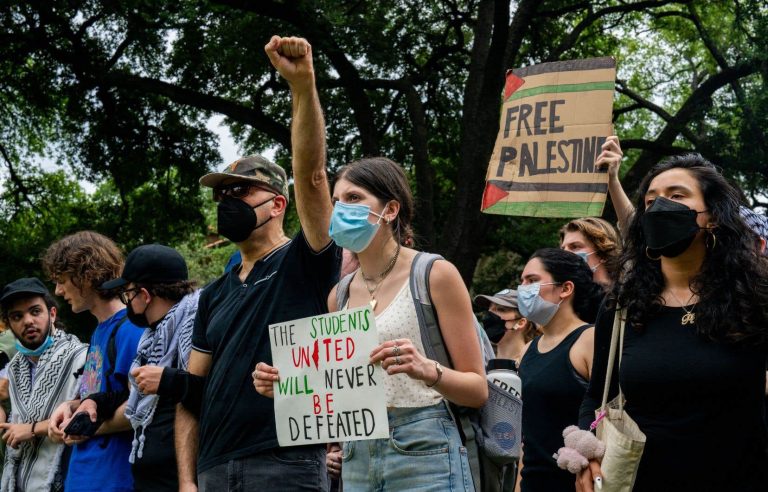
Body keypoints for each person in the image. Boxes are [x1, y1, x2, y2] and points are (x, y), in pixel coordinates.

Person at [255, 156, 488, 491]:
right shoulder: (340, 296)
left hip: (426, 448)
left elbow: (477, 390)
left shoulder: (435, 274)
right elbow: (340, 390)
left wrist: (427, 369)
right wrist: (285, 386)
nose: (339, 209)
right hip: (358, 455)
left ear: (390, 210)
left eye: (353, 198)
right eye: (336, 202)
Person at [176, 35, 341, 492]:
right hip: (212, 469)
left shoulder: (304, 260)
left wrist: (303, 88)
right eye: (222, 195)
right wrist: (188, 481)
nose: (227, 202)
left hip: (285, 465)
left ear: (277, 204)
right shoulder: (212, 294)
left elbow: (311, 176)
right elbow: (193, 396)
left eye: (241, 192)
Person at [577, 154, 768, 492]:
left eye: (677, 196)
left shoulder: (755, 299)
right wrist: (588, 457)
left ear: (712, 217)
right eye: (651, 201)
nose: (661, 206)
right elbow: (597, 395)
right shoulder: (622, 305)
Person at [68, 244, 200, 491]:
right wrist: (95, 401)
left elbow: (207, 392)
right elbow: (135, 395)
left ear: (144, 295)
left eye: (127, 293)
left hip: (176, 479)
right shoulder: (151, 340)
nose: (126, 301)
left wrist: (169, 379)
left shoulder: (195, 332)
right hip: (148, 476)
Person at [43, 231, 144, 492]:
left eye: (62, 280)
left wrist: (85, 427)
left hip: (114, 479)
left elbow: (142, 407)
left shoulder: (131, 330)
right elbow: (100, 394)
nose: (58, 290)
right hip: (83, 475)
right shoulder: (99, 331)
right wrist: (71, 407)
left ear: (87, 275)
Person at [515, 248, 603, 491]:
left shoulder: (590, 339)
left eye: (532, 280)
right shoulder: (527, 350)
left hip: (580, 483)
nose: (523, 288)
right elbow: (528, 436)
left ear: (565, 288)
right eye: (521, 281)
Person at [0, 278, 88, 491]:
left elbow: (88, 417)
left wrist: (30, 429)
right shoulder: (14, 368)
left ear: (52, 314)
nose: (28, 321)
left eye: (35, 311)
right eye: (17, 316)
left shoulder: (81, 357)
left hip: (66, 477)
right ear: (9, 325)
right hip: (19, 479)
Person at [474, 289, 537, 361]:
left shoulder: (533, 365)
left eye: (501, 309)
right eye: (489, 309)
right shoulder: (481, 362)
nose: (489, 315)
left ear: (521, 323)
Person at [558, 218, 620, 289]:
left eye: (575, 247)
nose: (565, 254)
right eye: (563, 249)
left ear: (603, 253)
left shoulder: (626, 296)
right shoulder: (564, 296)